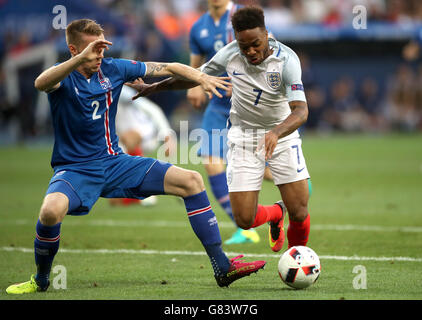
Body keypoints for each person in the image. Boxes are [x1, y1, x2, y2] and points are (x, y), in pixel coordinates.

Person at [5, 19, 266, 294]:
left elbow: (167, 67)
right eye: (93, 50)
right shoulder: (61, 79)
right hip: (75, 170)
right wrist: (80, 59)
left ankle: (222, 267)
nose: (99, 56)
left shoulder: (113, 68)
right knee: (49, 212)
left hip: (116, 163)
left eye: (102, 49)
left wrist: (199, 77)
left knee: (191, 181)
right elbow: (39, 82)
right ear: (74, 50)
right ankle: (42, 280)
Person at [129, 6, 312, 253]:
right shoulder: (230, 54)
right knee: (244, 220)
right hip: (243, 139)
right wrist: (155, 87)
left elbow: (301, 111)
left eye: (256, 44)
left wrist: (276, 133)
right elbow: (194, 76)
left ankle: (298, 257)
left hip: (281, 136)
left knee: (299, 212)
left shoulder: (287, 60)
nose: (250, 51)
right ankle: (276, 213)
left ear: (267, 34)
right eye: (243, 45)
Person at [187, 0, 262, 245]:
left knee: (263, 166)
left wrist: (245, 86)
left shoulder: (244, 16)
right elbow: (196, 64)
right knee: (210, 160)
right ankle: (245, 227)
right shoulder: (199, 27)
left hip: (249, 104)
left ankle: (298, 182)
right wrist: (196, 84)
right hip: (218, 105)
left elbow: (265, 54)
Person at [110, 85, 176, 206]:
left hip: (146, 134)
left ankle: (146, 191)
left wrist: (166, 133)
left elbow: (151, 109)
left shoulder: (119, 90)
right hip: (120, 140)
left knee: (130, 137)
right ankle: (137, 195)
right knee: (115, 202)